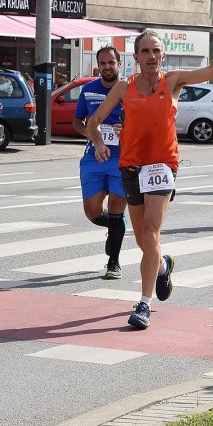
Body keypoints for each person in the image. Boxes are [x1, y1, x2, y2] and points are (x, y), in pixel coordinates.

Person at [85, 17, 213, 330]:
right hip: (131, 166)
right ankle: (163, 265)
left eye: (156, 51)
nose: (151, 55)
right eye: (145, 51)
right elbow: (93, 121)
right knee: (142, 240)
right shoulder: (124, 88)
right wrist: (97, 142)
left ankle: (144, 304)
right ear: (135, 57)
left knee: (151, 233)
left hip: (163, 165)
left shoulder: (173, 80)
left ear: (163, 56)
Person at [73, 46, 128, 279]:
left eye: (111, 63)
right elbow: (77, 121)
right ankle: (115, 230)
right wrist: (92, 136)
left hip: (123, 157)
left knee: (117, 208)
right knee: (92, 211)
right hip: (94, 156)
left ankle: (113, 262)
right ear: (98, 66)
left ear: (119, 64)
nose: (107, 67)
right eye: (103, 63)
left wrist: (126, 129)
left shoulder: (130, 89)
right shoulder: (89, 90)